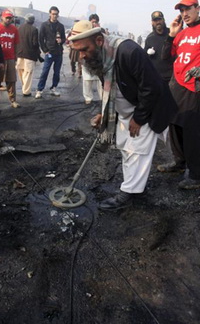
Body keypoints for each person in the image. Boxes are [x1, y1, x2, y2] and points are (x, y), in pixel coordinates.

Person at [69, 20, 177, 210]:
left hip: (147, 109)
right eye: (78, 51)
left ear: (99, 40)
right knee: (126, 148)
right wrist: (104, 113)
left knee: (137, 151)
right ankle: (135, 186)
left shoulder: (128, 51)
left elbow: (150, 87)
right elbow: (109, 88)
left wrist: (139, 118)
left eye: (84, 49)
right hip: (125, 110)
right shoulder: (99, 56)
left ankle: (128, 194)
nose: (82, 55)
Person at [158, 0, 200, 189]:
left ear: (198, 8)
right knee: (174, 125)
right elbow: (165, 56)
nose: (184, 13)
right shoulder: (181, 33)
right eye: (181, 10)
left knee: (191, 131)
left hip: (193, 87)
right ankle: (179, 162)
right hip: (175, 84)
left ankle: (197, 175)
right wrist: (172, 34)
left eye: (188, 8)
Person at [36, 6, 66, 99]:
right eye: (53, 14)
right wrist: (45, 50)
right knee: (45, 71)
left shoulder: (60, 26)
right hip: (49, 52)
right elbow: (40, 39)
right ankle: (39, 89)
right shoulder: (44, 25)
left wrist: (61, 41)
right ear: (50, 14)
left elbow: (64, 38)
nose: (55, 16)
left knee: (57, 72)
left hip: (59, 52)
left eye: (56, 14)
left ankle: (54, 88)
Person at [0, 9, 20, 108]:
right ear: (2, 17)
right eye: (7, 18)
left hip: (10, 57)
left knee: (11, 80)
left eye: (10, 18)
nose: (8, 20)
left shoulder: (14, 29)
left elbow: (16, 44)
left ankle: (13, 100)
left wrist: (15, 57)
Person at [16, 13, 41, 97]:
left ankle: (24, 87)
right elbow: (35, 43)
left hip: (19, 54)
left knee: (21, 72)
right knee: (28, 73)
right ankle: (26, 91)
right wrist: (38, 54)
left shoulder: (19, 28)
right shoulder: (34, 29)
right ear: (33, 21)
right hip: (30, 55)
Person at [81, 14, 104, 104]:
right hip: (87, 59)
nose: (94, 23)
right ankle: (88, 98)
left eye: (96, 22)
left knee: (100, 80)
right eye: (92, 22)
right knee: (87, 80)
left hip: (99, 59)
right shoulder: (84, 31)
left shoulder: (101, 31)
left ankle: (103, 98)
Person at [144, 10, 172, 83]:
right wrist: (148, 54)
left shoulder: (171, 34)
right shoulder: (150, 38)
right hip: (156, 77)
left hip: (172, 77)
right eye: (155, 20)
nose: (158, 22)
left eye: (159, 19)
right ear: (152, 22)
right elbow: (145, 59)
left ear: (163, 20)